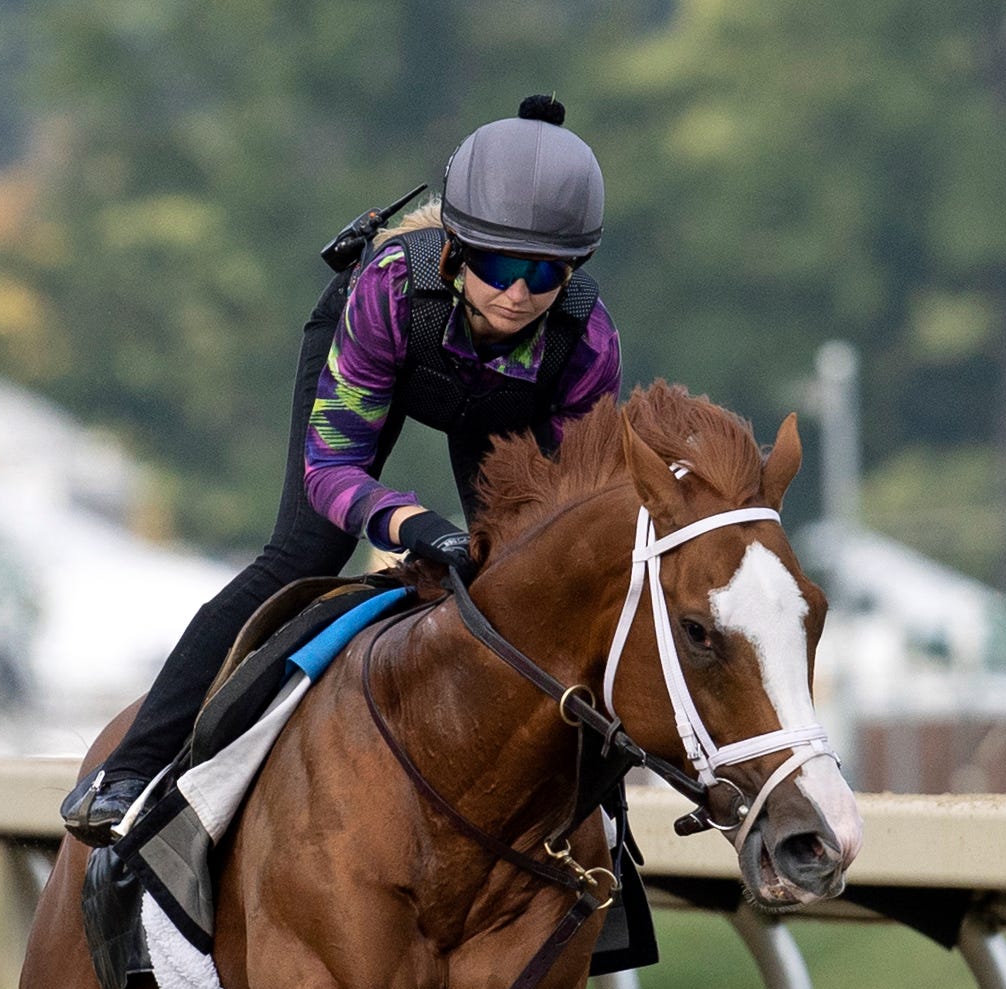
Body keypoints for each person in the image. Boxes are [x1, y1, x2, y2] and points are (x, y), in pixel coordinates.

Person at [59, 94, 621, 844]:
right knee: (302, 556)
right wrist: (415, 527)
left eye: (544, 273)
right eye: (496, 262)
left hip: (502, 404)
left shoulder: (586, 342)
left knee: (528, 576)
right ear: (454, 246)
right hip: (386, 356)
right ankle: (129, 768)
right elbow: (332, 469)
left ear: (574, 272)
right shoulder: (389, 288)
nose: (517, 291)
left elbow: (575, 512)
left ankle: (598, 811)